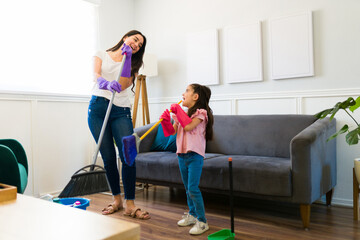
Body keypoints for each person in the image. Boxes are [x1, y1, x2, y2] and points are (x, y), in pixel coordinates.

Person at [87, 30, 150, 219]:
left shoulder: (134, 63)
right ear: (125, 37)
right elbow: (96, 74)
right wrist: (104, 83)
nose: (136, 44)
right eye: (135, 39)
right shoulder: (101, 54)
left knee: (128, 156)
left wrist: (128, 59)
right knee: (107, 156)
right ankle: (117, 200)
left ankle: (130, 204)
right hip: (97, 109)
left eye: (140, 45)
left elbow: (122, 85)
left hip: (121, 111)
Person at [160, 83, 214, 235]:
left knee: (193, 188)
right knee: (187, 188)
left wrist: (177, 111)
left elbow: (189, 126)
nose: (183, 93)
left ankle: (202, 221)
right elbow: (171, 132)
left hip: (195, 156)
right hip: (181, 155)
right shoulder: (180, 115)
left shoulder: (201, 113)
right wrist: (166, 121)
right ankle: (192, 215)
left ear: (195, 97)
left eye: (187, 91)